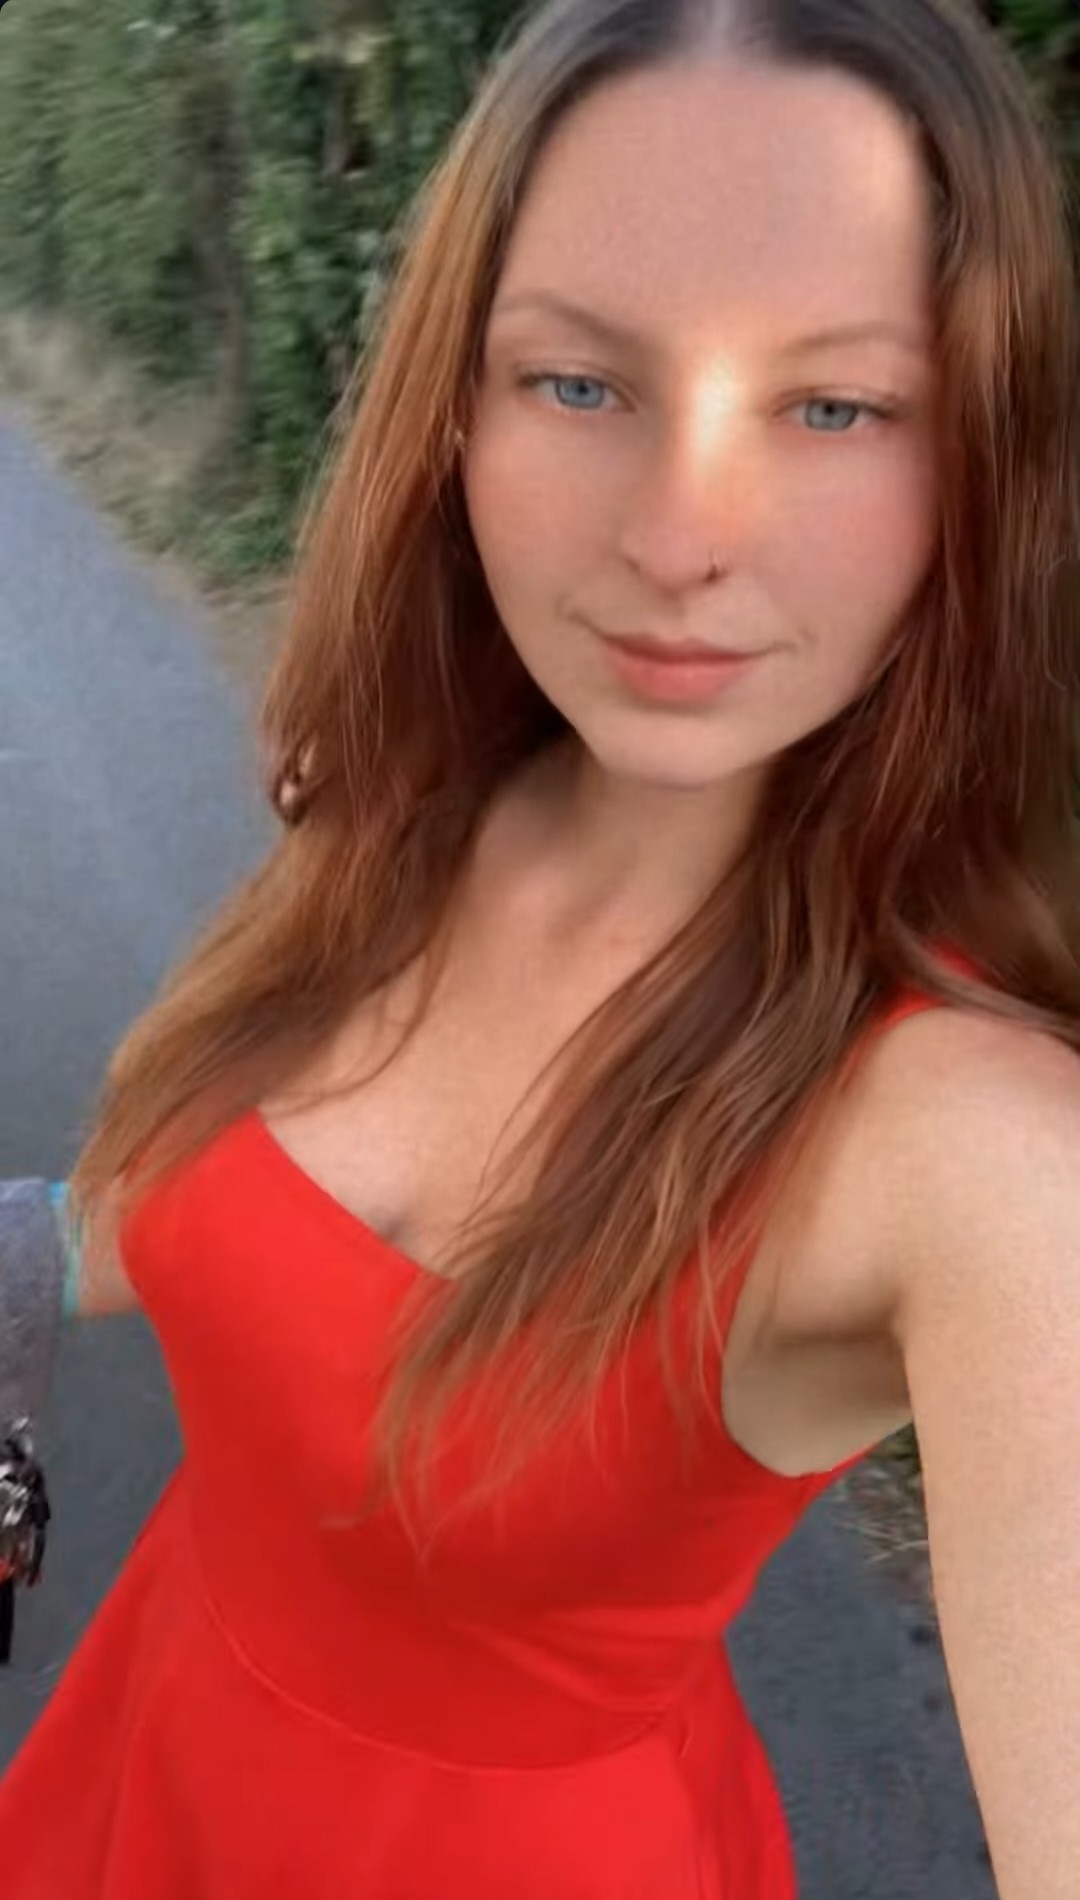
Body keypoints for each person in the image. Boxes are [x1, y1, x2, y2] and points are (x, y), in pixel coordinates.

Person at [1, 0, 1078, 1892]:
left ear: (982, 467)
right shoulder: (405, 818)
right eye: (581, 383)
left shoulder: (976, 1149)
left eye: (837, 406)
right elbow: (235, 1218)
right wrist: (25, 1254)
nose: (680, 537)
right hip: (135, 1766)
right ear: (459, 410)